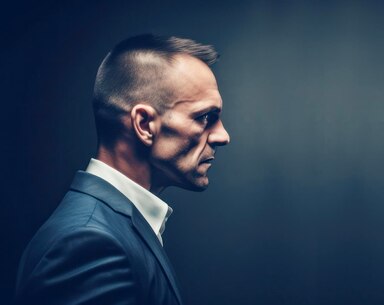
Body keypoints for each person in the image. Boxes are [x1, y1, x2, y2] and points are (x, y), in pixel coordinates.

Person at [15, 34, 230, 305]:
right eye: (204, 117)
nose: (222, 136)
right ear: (143, 124)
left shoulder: (110, 228)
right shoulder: (90, 242)